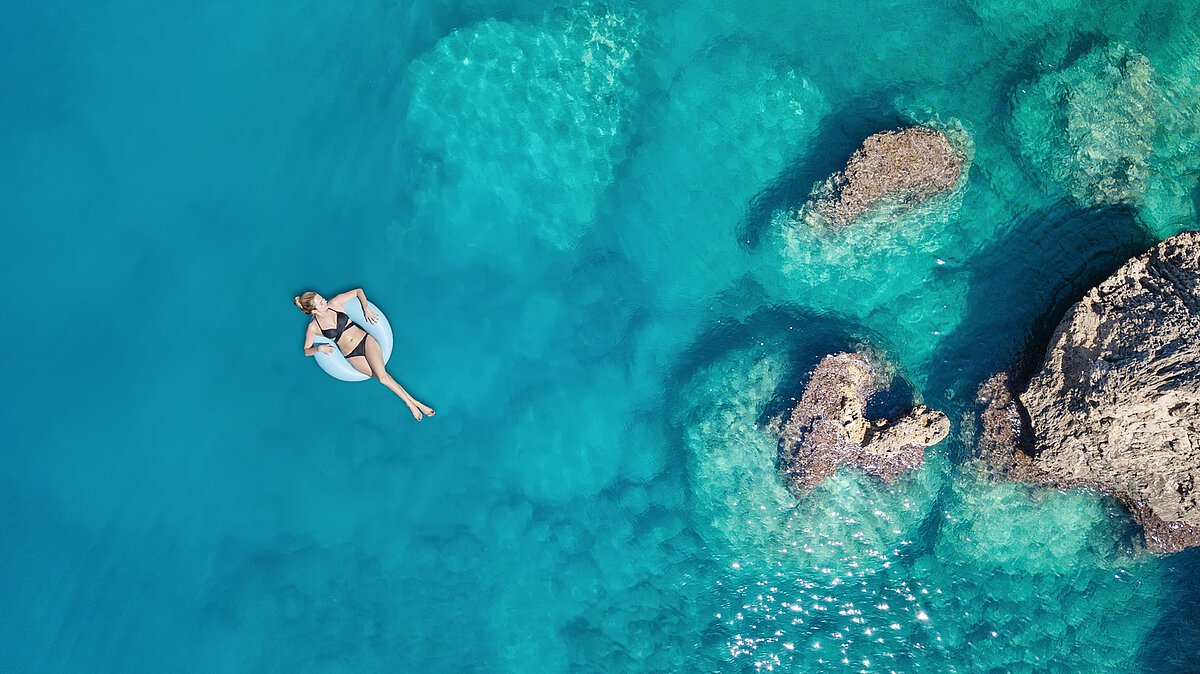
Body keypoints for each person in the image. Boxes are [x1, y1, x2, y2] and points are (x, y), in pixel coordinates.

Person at [294, 289, 435, 421]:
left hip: (365, 341)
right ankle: (416, 402)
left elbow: (358, 291)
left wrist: (366, 308)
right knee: (386, 377)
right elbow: (307, 351)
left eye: (322, 298)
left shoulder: (335, 304)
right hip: (352, 355)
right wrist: (319, 349)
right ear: (313, 310)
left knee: (383, 379)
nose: (325, 301)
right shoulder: (313, 327)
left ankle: (411, 405)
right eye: (321, 302)